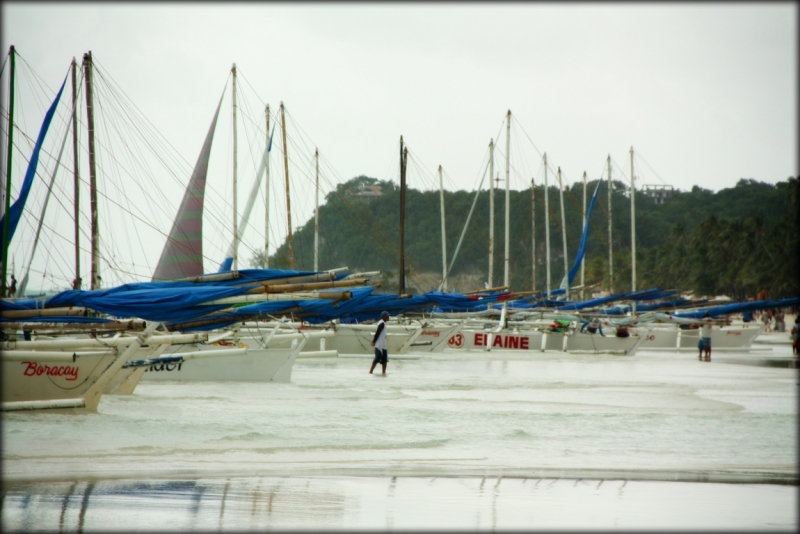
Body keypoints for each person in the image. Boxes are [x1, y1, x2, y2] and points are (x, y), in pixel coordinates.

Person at [369, 311, 390, 375]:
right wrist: (374, 341)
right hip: (379, 345)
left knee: (384, 360)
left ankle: (384, 373)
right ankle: (370, 372)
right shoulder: (382, 323)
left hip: (383, 345)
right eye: (387, 316)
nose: (388, 317)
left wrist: (386, 338)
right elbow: (377, 333)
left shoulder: (383, 323)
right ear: (383, 317)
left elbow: (384, 333)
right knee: (376, 359)